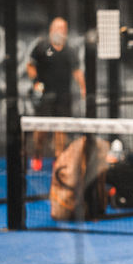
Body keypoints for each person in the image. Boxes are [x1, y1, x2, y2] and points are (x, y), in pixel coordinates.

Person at [27, 17, 86, 171]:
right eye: (58, 28)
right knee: (40, 130)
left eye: (64, 29)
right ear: (51, 30)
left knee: (61, 130)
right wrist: (36, 82)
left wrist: (83, 87)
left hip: (63, 96)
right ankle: (37, 155)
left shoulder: (70, 51)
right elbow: (30, 66)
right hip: (45, 96)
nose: (61, 31)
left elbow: (77, 71)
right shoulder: (41, 47)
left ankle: (59, 158)